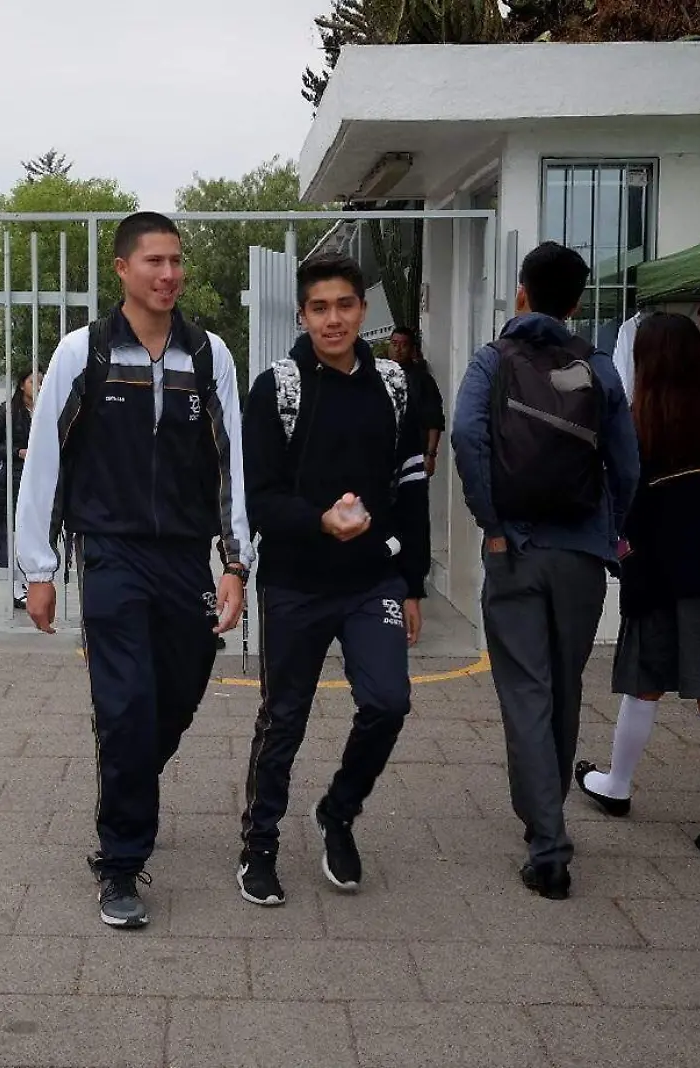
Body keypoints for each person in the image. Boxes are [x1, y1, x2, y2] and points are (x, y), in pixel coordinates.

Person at [16, 211, 251, 929]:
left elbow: (232, 466)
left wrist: (237, 562)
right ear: (122, 268)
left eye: (176, 260)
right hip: (110, 554)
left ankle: (128, 780)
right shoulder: (82, 353)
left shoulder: (209, 357)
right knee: (124, 709)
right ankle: (120, 862)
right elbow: (45, 464)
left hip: (184, 559)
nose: (169, 274)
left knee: (174, 697)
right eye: (154, 261)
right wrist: (39, 568)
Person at [236, 252, 429, 907]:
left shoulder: (396, 386)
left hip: (371, 581)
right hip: (294, 583)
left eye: (344, 305)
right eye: (320, 308)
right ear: (303, 314)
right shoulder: (278, 388)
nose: (333, 318)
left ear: (363, 311)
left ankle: (338, 812)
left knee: (389, 702)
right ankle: (259, 846)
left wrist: (412, 581)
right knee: (283, 719)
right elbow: (258, 498)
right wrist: (319, 519)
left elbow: (410, 491)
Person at [451, 241, 640, 901]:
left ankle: (547, 841)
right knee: (562, 688)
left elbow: (464, 436)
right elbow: (628, 463)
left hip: (517, 553)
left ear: (522, 294)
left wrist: (493, 524)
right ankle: (548, 818)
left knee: (526, 691)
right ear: (578, 302)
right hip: (582, 557)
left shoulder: (491, 361)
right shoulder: (599, 368)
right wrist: (611, 531)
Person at [572, 313, 700, 865]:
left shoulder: (636, 417)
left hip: (654, 569)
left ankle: (618, 785)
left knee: (645, 684)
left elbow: (619, 495)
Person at [0, 368, 39, 609]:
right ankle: (17, 587)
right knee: (11, 535)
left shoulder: (47, 407)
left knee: (33, 534)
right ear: (21, 385)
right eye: (32, 381)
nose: (37, 384)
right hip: (12, 479)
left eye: (41, 380)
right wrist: (18, 453)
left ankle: (32, 581)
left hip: (39, 479)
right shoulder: (8, 411)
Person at [386, 326, 446, 477]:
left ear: (412, 349)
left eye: (403, 345)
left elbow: (434, 420)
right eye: (394, 344)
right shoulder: (377, 375)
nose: (398, 349)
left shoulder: (423, 380)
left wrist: (430, 455)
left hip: (413, 454)